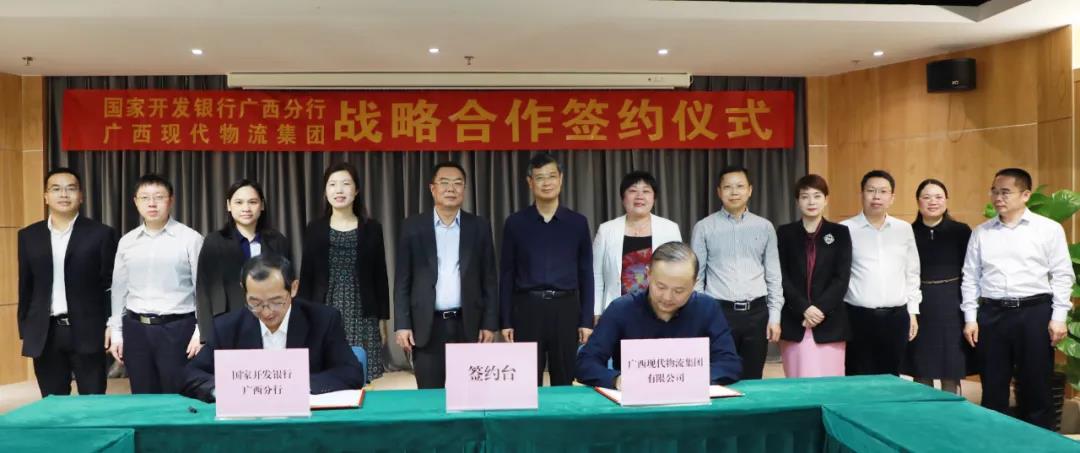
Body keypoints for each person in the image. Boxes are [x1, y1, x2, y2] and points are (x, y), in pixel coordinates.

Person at [962, 168, 1073, 429]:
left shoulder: (1048, 229)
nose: (998, 197)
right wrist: (970, 318)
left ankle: (1040, 443)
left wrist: (1059, 317)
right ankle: (994, 441)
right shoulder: (981, 232)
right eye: (994, 191)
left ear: (1025, 195)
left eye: (1005, 192)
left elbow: (1062, 275)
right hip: (992, 314)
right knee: (993, 387)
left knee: (1036, 385)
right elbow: (970, 277)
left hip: (1034, 312)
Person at [182, 254, 365, 403]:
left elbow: (351, 373)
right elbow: (190, 375)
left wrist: (294, 385)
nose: (267, 312)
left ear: (293, 288)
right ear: (244, 291)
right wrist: (228, 389)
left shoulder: (323, 320)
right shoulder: (227, 327)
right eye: (255, 303)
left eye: (276, 302)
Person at [576, 242, 741, 389]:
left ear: (694, 282)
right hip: (636, 402)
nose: (667, 297)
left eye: (679, 290)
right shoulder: (621, 309)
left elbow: (730, 363)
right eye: (660, 287)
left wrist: (689, 378)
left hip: (691, 402)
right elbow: (586, 363)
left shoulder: (707, 308)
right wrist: (617, 380)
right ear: (648, 274)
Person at [394, 161, 498, 389]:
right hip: (427, 325)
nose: (451, 188)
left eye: (458, 183)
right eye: (444, 182)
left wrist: (489, 324)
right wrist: (402, 324)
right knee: (430, 396)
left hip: (467, 324)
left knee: (468, 394)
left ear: (464, 189)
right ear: (433, 189)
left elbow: (489, 280)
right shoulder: (413, 226)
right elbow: (402, 280)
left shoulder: (479, 226)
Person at [17, 167, 118, 396]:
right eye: (56, 189)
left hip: (89, 330)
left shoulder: (101, 234)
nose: (63, 194)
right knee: (52, 401)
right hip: (46, 332)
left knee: (92, 401)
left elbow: (111, 285)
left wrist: (111, 324)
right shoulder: (29, 236)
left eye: (70, 189)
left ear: (81, 196)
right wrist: (26, 328)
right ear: (46, 196)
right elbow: (26, 285)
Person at [500, 153, 594, 386]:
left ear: (561, 179)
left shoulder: (577, 223)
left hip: (566, 308)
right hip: (527, 309)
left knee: (564, 378)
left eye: (552, 176)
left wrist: (586, 320)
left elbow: (586, 274)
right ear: (530, 182)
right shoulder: (515, 223)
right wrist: (506, 320)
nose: (547, 182)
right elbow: (507, 274)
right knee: (526, 380)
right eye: (540, 177)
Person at [109, 174, 204, 394]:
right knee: (142, 394)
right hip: (136, 329)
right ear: (135, 202)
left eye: (159, 197)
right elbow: (119, 290)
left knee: (178, 393)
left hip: (178, 328)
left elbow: (202, 288)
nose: (152, 203)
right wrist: (117, 331)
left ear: (171, 200)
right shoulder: (127, 242)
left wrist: (201, 332)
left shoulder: (190, 239)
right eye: (145, 198)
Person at [299, 162, 390, 383]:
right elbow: (307, 276)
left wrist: (383, 318)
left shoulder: (372, 228)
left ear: (356, 190)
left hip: (362, 311)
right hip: (324, 308)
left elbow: (380, 276)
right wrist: (302, 316)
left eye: (346, 184)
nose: (339, 190)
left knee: (362, 373)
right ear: (325, 191)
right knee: (327, 371)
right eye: (332, 184)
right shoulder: (315, 228)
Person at [690, 165, 783, 380]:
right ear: (719, 191)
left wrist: (775, 316)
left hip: (757, 313)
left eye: (740, 186)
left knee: (753, 377)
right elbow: (696, 277)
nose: (734, 192)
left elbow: (773, 276)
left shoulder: (765, 227)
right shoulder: (704, 227)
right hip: (719, 312)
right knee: (718, 376)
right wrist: (701, 315)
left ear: (750, 190)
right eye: (728, 187)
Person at [841, 170, 921, 376]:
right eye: (871, 190)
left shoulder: (903, 229)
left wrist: (912, 311)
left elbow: (912, 272)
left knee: (891, 377)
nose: (877, 196)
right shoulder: (845, 229)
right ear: (862, 194)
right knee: (857, 376)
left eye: (883, 191)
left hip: (896, 317)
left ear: (892, 197)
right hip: (857, 317)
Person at [195, 179, 291, 345]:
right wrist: (205, 337)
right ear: (229, 206)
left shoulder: (278, 241)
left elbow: (287, 287)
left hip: (271, 323)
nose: (246, 208)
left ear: (262, 205)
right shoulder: (214, 242)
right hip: (227, 323)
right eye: (239, 202)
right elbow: (203, 290)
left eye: (252, 202)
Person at [776, 174, 851, 378]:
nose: (811, 202)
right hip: (795, 320)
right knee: (798, 381)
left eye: (817, 196)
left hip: (830, 321)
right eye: (805, 196)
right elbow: (781, 276)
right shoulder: (785, 233)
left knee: (830, 382)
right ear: (797, 201)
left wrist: (819, 309)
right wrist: (804, 308)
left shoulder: (840, 232)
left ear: (826, 200)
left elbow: (842, 277)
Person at [903, 179, 971, 394]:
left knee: (951, 366)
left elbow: (971, 270)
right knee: (920, 366)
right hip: (919, 304)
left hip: (952, 304)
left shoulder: (961, 231)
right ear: (918, 201)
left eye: (938, 197)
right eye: (927, 197)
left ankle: (953, 409)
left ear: (946, 200)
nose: (933, 202)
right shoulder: (907, 232)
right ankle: (924, 410)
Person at [592, 171, 682, 319]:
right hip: (616, 312)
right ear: (623, 198)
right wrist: (596, 312)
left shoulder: (670, 229)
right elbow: (596, 275)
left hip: (660, 311)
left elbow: (679, 272)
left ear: (654, 198)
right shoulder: (606, 230)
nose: (639, 196)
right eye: (633, 191)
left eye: (646, 191)